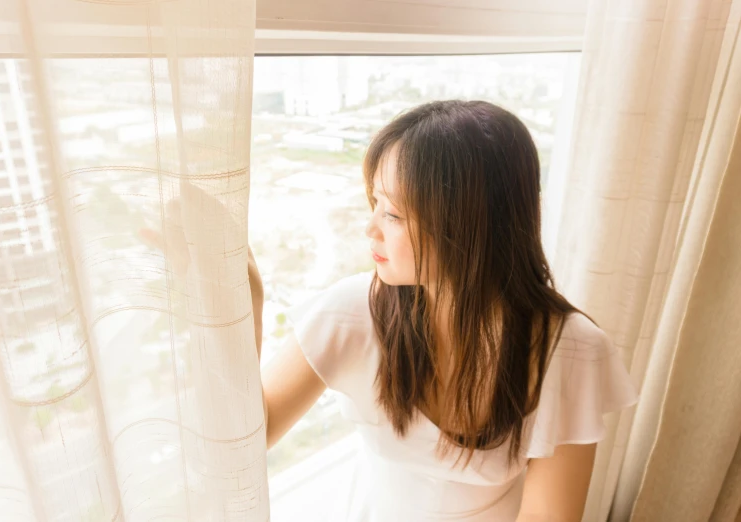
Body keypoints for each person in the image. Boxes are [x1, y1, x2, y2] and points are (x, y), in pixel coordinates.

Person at [152, 100, 639, 521]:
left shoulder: (571, 352)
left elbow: (548, 514)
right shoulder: (352, 314)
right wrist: (238, 313)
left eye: (391, 213)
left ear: (470, 225)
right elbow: (241, 444)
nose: (370, 229)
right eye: (374, 202)